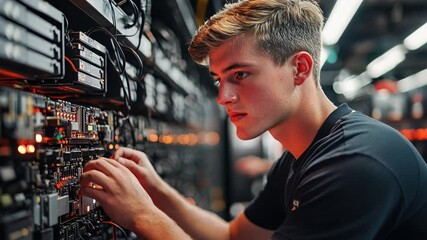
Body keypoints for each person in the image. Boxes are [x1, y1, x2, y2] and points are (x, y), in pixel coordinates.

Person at [80, 0, 427, 239]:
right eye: (219, 80)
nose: (222, 96)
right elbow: (232, 236)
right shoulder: (299, 156)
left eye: (241, 74)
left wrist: (142, 216)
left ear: (299, 68)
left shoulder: (355, 164)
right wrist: (154, 190)